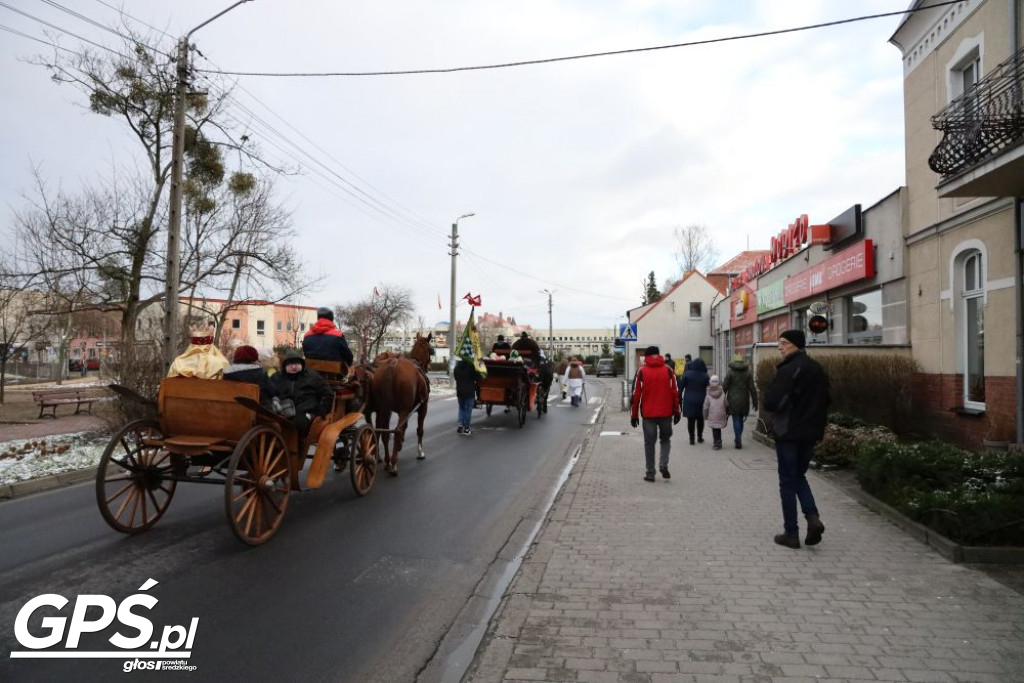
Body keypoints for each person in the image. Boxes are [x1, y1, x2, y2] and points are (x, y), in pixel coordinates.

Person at [763, 329, 830, 550]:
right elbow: (827, 401)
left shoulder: (789, 369)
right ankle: (813, 517)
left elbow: (772, 403)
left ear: (795, 345)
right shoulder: (817, 369)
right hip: (810, 434)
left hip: (789, 432)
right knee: (799, 475)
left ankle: (791, 533)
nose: (780, 347)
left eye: (783, 343)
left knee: (787, 480)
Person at [629, 346, 681, 482]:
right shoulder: (669, 371)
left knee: (649, 443)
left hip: (648, 414)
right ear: (659, 355)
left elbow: (636, 395)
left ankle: (650, 473)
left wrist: (634, 415)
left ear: (646, 356)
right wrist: (677, 411)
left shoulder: (642, 371)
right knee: (665, 440)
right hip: (666, 413)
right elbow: (675, 392)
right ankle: (663, 464)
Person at [269, 349, 333, 439]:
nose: (294, 367)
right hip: (283, 411)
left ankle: (296, 450)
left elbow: (327, 393)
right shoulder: (277, 377)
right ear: (284, 366)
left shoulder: (312, 376)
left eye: (297, 364)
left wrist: (322, 409)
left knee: (293, 425)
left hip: (306, 411)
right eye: (290, 364)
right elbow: (269, 391)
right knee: (271, 423)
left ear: (302, 364)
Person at [723, 353, 758, 449]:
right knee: (741, 419)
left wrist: (721, 399)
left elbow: (725, 386)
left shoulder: (730, 372)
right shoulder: (748, 373)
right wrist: (755, 402)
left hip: (732, 399)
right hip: (744, 399)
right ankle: (738, 438)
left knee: (736, 419)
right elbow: (752, 388)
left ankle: (738, 439)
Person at [679, 357, 709, 444]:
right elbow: (709, 388)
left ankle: (691, 439)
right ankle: (700, 437)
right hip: (701, 400)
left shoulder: (687, 374)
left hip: (689, 400)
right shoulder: (705, 376)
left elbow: (681, 387)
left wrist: (679, 399)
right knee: (700, 419)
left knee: (690, 420)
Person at [453, 358, 478, 436]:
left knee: (461, 408)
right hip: (469, 392)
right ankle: (466, 428)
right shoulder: (471, 367)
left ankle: (460, 425)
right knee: (468, 410)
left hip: (460, 391)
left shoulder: (456, 368)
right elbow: (477, 377)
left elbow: (456, 377)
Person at [703, 375, 728, 450]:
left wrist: (705, 415)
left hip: (712, 415)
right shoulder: (722, 393)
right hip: (721, 414)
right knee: (718, 428)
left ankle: (716, 443)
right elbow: (726, 404)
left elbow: (706, 407)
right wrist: (726, 412)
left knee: (715, 429)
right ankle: (719, 441)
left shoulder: (708, 394)